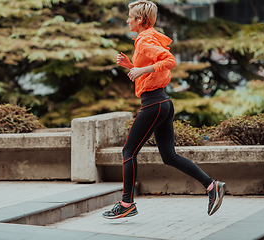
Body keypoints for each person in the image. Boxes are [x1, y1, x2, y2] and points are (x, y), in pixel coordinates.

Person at [102, 0, 226, 219]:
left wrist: (140, 69)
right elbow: (153, 72)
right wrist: (132, 67)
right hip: (163, 103)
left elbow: (169, 61)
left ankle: (126, 203)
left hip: (153, 104)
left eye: (130, 17)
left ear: (140, 20)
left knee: (128, 152)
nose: (127, 20)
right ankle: (211, 186)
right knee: (169, 156)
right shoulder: (149, 36)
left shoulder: (143, 39)